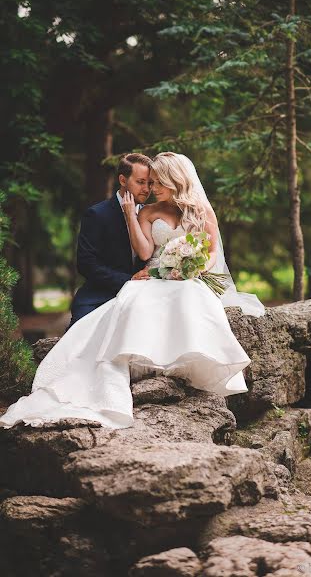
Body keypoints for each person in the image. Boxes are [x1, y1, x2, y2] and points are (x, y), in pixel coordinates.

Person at [0, 153, 264, 430]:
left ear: (174, 180)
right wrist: (130, 218)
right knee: (135, 304)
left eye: (156, 182)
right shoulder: (140, 212)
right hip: (148, 277)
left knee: (191, 296)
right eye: (147, 182)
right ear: (123, 180)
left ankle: (188, 360)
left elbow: (210, 251)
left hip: (185, 278)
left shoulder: (200, 211)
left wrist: (194, 269)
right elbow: (144, 253)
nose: (151, 188)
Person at [69, 152, 152, 327]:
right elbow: (86, 264)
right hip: (100, 295)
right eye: (140, 182)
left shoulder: (151, 216)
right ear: (123, 180)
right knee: (80, 337)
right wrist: (128, 280)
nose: (147, 189)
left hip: (143, 297)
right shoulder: (97, 214)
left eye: (150, 183)